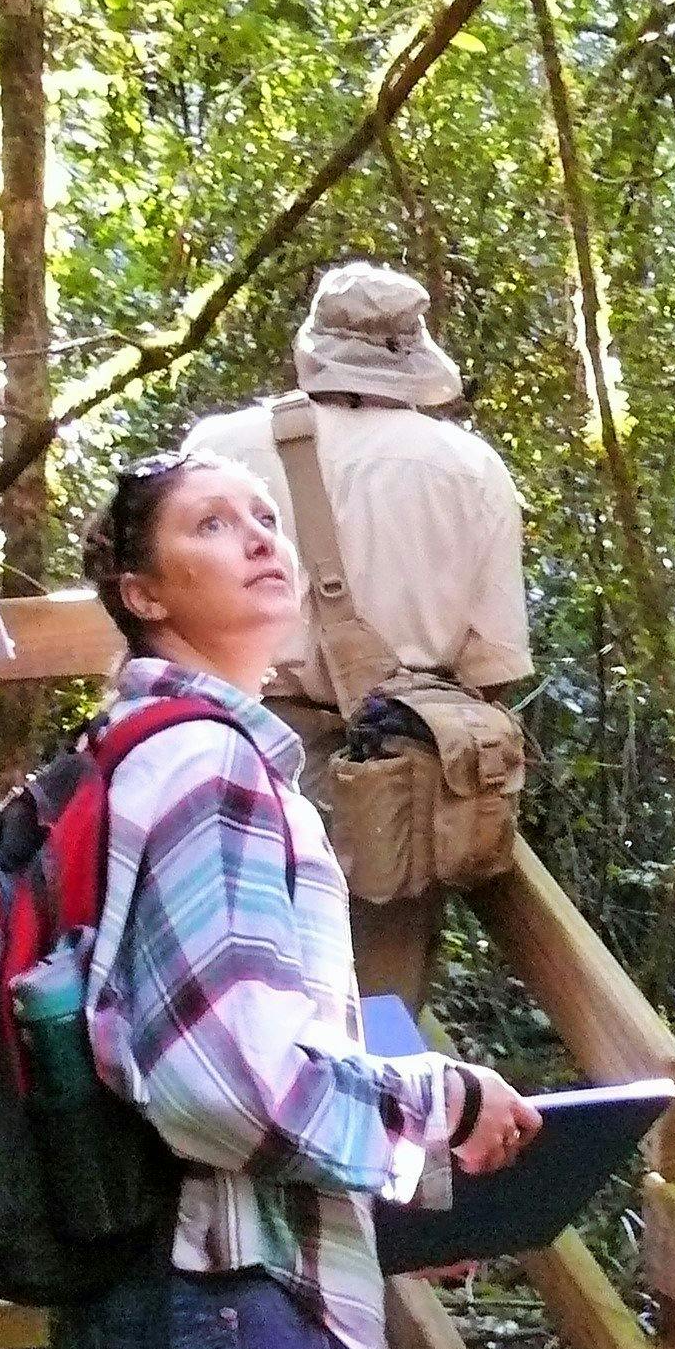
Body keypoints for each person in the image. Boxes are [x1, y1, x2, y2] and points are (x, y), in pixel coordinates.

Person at [53, 452, 537, 1349]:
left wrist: (386, 1175)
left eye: (263, 517)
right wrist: (431, 1108)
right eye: (214, 526)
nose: (260, 538)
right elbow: (227, 1082)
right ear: (143, 594)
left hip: (148, 1308)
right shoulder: (212, 773)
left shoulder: (126, 759)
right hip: (246, 1323)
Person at [182, 264, 530, 1000]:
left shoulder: (219, 450)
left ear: (313, 347)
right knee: (378, 1005)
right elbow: (492, 668)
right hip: (397, 781)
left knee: (230, 986)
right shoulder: (472, 470)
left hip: (234, 749)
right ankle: (380, 1106)